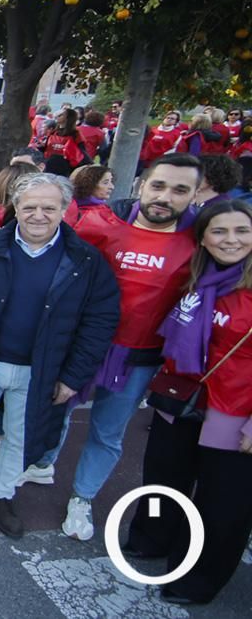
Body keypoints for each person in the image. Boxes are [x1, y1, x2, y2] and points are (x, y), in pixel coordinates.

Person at [0, 174, 119, 538]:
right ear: (16, 207)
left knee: (20, 435)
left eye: (48, 207)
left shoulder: (86, 260)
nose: (38, 215)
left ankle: (3, 494)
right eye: (29, 207)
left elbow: (99, 321)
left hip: (41, 369)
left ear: (65, 209)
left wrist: (73, 377)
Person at [59, 153, 202, 541]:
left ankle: (82, 497)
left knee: (107, 433)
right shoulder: (101, 222)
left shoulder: (201, 242)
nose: (165, 197)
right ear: (142, 185)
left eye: (179, 190)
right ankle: (41, 463)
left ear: (194, 195)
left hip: (140, 359)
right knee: (56, 413)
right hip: (85, 346)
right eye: (158, 186)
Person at [124, 200, 252, 605]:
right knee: (162, 477)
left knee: (221, 503)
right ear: (203, 239)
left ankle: (197, 578)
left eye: (242, 231)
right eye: (219, 231)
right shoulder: (195, 278)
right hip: (180, 395)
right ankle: (152, 536)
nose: (231, 240)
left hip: (234, 409)